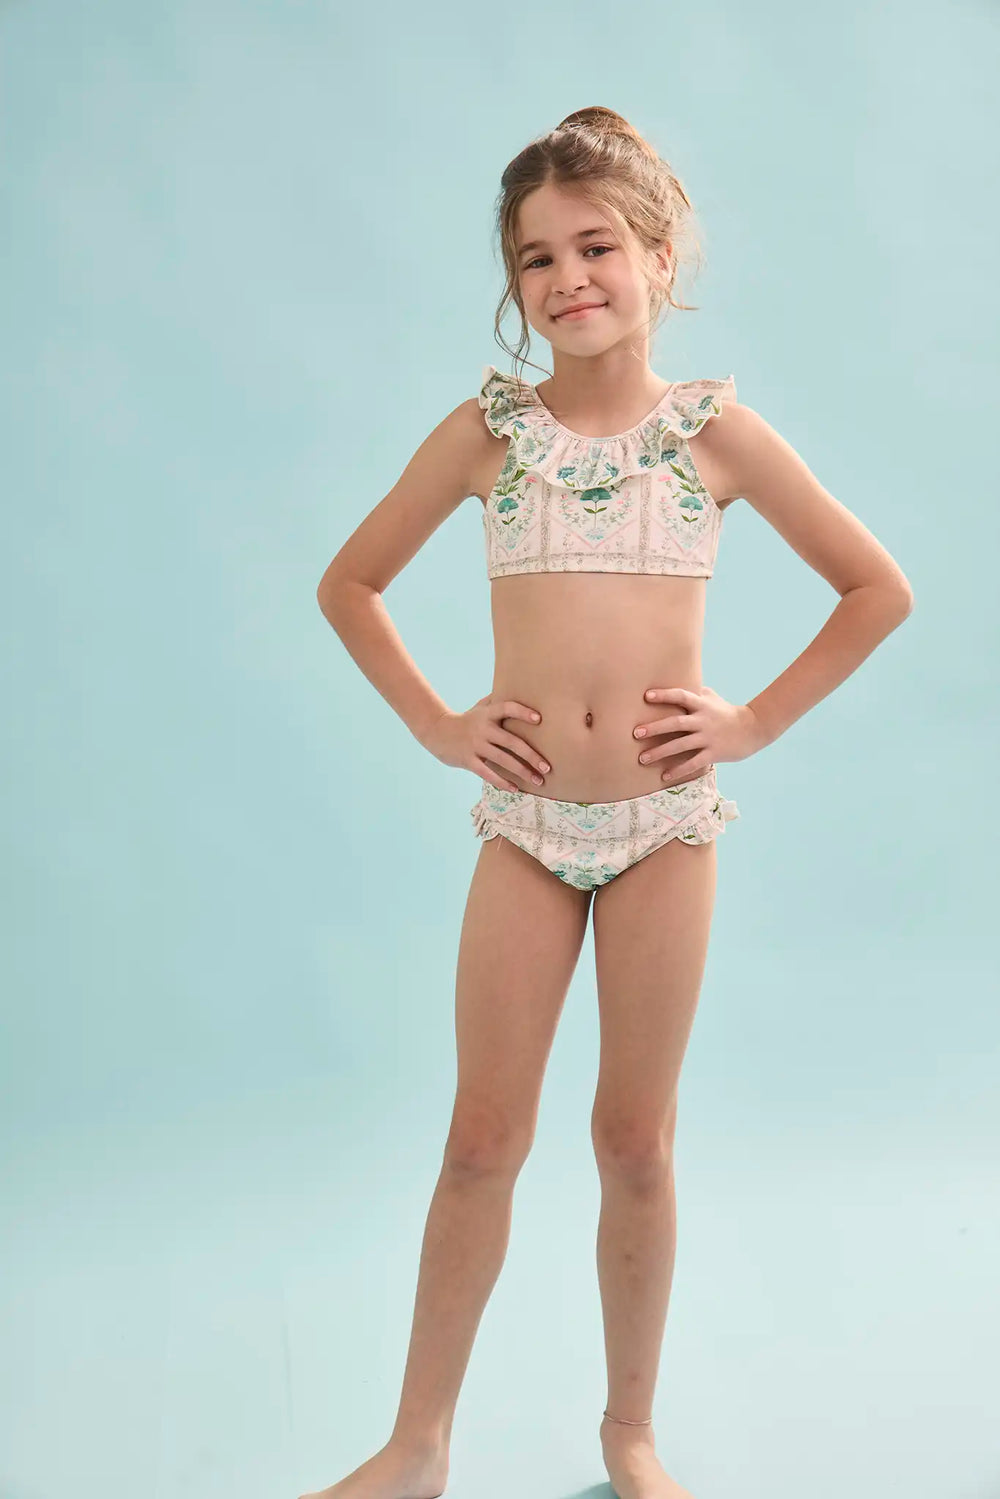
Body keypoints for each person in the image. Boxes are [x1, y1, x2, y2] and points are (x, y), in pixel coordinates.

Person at [307, 105, 914, 1499]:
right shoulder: (490, 436)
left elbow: (877, 588)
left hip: (662, 835)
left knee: (634, 1141)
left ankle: (628, 1433)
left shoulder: (713, 436)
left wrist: (753, 721)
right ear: (513, 285)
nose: (568, 277)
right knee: (482, 1138)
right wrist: (440, 723)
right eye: (536, 258)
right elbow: (350, 583)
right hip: (528, 833)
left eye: (595, 246)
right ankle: (416, 1445)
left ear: (656, 258)